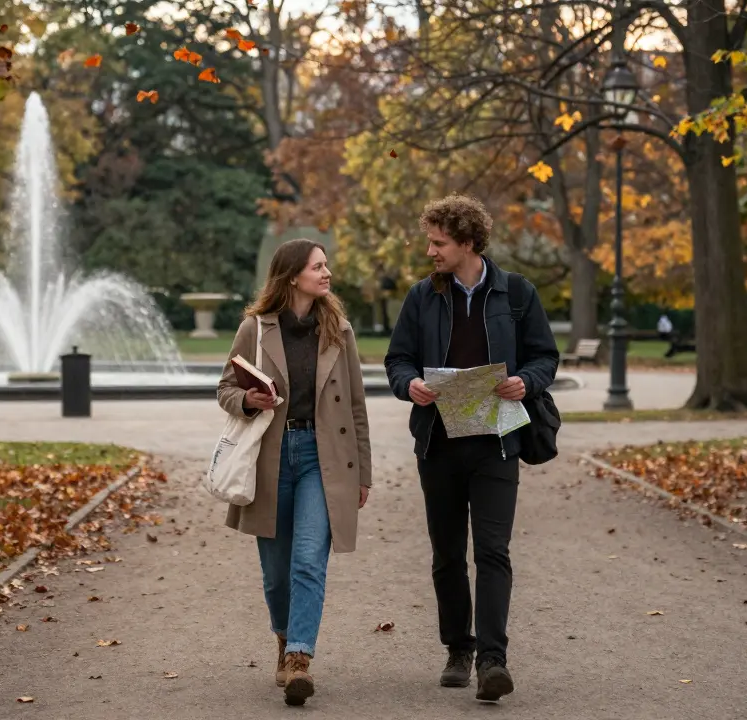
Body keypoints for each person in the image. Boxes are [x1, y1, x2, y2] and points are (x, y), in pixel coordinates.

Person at [384, 194, 558, 702]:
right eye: (430, 242)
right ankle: (458, 649)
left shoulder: (517, 294)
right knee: (445, 556)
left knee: (492, 552)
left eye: (439, 243)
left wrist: (526, 380)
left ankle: (492, 660)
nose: (431, 252)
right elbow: (398, 360)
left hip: (497, 443)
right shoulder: (422, 296)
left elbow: (546, 356)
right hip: (438, 443)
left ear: (467, 242)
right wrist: (409, 384)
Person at [216, 238, 373, 707]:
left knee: (308, 559)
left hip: (322, 459)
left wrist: (362, 471)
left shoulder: (337, 330)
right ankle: (285, 638)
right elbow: (225, 387)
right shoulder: (255, 328)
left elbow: (358, 407)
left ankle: (301, 658)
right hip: (270, 456)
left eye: (326, 266)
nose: (327, 274)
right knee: (275, 573)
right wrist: (247, 399)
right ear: (291, 277)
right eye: (317, 267)